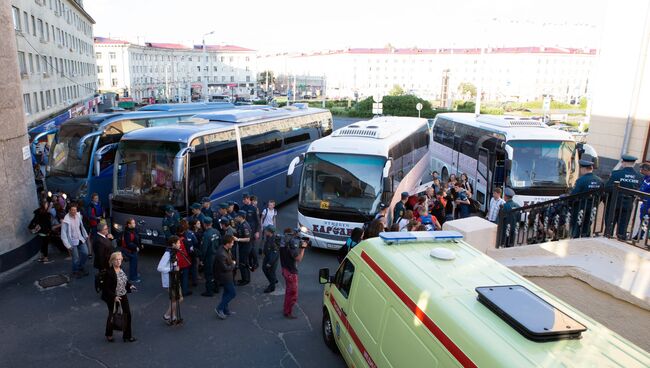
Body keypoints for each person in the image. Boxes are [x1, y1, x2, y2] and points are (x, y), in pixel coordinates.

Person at [605, 154, 643, 240]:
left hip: (615, 202)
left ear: (624, 163)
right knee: (623, 224)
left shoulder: (616, 174)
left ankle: (608, 237)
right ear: (634, 163)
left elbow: (608, 188)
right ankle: (621, 238)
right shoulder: (639, 177)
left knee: (610, 223)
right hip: (629, 203)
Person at [101, 252, 136, 342]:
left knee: (127, 314)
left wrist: (130, 286)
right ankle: (109, 334)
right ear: (112, 261)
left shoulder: (121, 269)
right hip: (113, 297)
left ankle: (127, 336)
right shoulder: (109, 273)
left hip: (123, 295)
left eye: (120, 259)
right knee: (112, 315)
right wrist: (114, 297)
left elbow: (124, 280)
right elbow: (106, 288)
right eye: (116, 259)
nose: (118, 261)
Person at [571, 159, 604, 238]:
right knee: (587, 225)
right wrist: (596, 203)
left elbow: (574, 195)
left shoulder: (581, 180)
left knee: (577, 226)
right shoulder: (600, 181)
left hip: (580, 207)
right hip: (593, 206)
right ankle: (585, 241)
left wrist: (571, 204)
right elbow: (602, 196)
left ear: (583, 169)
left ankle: (574, 241)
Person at [279, 229, 308, 319]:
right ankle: (288, 312)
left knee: (288, 291)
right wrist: (303, 248)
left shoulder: (282, 244)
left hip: (285, 269)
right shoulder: (291, 247)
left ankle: (285, 308)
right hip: (291, 273)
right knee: (293, 294)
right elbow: (298, 258)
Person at [157, 236, 184, 325]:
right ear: (173, 244)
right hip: (170, 281)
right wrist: (172, 269)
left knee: (174, 299)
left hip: (174, 279)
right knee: (178, 299)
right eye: (178, 243)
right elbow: (160, 268)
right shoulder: (168, 254)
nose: (180, 244)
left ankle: (173, 316)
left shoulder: (173, 252)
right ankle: (167, 315)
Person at [61, 203, 89, 278]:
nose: (74, 212)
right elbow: (63, 234)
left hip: (80, 239)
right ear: (69, 210)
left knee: (85, 253)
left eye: (75, 210)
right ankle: (75, 271)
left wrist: (85, 235)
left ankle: (80, 267)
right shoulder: (65, 221)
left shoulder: (78, 216)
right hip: (72, 242)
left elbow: (82, 227)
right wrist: (68, 245)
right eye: (73, 210)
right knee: (75, 258)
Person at [214, 235, 237, 319]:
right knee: (232, 293)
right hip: (225, 277)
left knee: (226, 293)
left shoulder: (225, 249)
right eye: (232, 243)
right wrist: (233, 264)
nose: (233, 244)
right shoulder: (221, 254)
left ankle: (225, 310)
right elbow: (225, 268)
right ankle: (219, 308)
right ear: (227, 244)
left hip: (227, 276)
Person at [200, 217, 220, 297]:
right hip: (217, 255)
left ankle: (209, 291)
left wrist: (201, 259)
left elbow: (204, 249)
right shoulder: (216, 231)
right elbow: (220, 242)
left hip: (209, 257)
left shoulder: (206, 234)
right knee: (216, 272)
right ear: (211, 224)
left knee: (209, 274)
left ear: (204, 224)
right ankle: (216, 288)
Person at [93, 223, 114, 293]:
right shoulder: (99, 241)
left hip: (107, 263)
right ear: (100, 231)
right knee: (106, 278)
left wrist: (109, 239)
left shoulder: (103, 237)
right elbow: (100, 256)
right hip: (105, 264)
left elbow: (106, 247)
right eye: (105, 229)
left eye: (107, 228)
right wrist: (103, 268)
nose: (107, 230)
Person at [233, 210, 253, 286]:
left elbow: (248, 239)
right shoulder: (240, 224)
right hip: (242, 246)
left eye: (237, 216)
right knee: (244, 263)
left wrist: (237, 239)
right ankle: (246, 278)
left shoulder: (245, 226)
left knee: (243, 263)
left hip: (245, 247)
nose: (236, 217)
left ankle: (245, 280)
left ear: (241, 217)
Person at [120, 218, 142, 283]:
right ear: (129, 225)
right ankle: (133, 277)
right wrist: (136, 247)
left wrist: (140, 245)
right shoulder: (127, 233)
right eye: (133, 223)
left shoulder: (133, 230)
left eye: (134, 223)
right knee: (133, 264)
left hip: (133, 250)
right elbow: (128, 243)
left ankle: (135, 274)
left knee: (135, 263)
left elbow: (137, 237)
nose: (134, 224)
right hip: (130, 251)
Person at [176, 221, 194, 296]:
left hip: (176, 260)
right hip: (184, 261)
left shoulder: (174, 238)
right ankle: (185, 291)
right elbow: (190, 251)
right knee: (185, 276)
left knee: (177, 276)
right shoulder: (185, 240)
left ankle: (177, 290)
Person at [261, 225, 280, 293]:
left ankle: (272, 287)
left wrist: (270, 263)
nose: (265, 231)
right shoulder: (269, 236)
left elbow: (275, 253)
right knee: (264, 269)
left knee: (270, 272)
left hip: (271, 259)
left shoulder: (274, 240)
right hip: (267, 256)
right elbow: (266, 246)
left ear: (269, 232)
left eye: (266, 230)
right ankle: (274, 280)